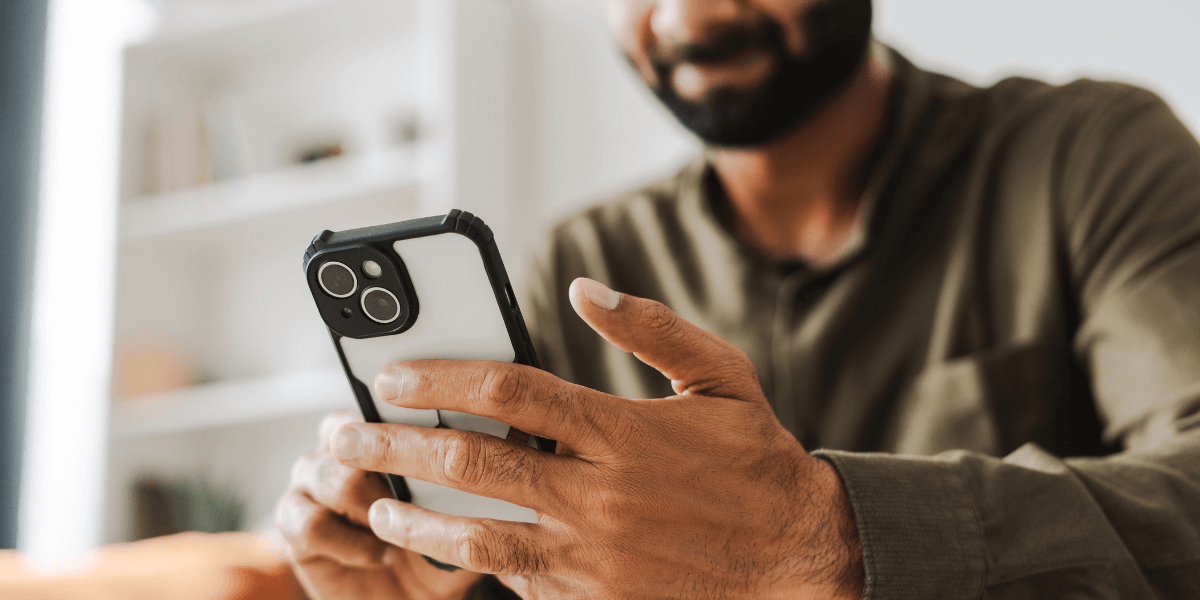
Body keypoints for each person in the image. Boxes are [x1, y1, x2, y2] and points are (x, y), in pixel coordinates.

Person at [276, 0, 1200, 597]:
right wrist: (435, 581)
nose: (688, 17)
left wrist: (826, 533)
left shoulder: (1087, 155)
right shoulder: (586, 258)